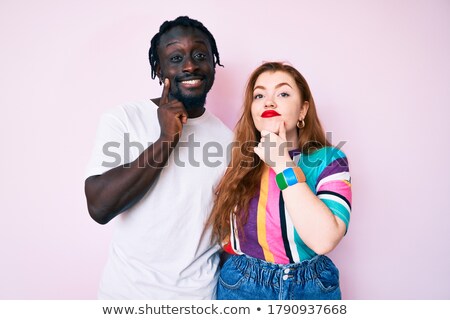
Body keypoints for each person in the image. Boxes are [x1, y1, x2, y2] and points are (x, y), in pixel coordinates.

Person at [84, 16, 232, 299]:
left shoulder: (230, 141)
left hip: (198, 300)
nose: (189, 65)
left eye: (200, 55)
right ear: (158, 68)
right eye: (176, 58)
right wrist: (166, 139)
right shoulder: (124, 119)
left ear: (214, 63)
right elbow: (99, 207)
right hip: (125, 297)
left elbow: (226, 233)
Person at [208, 62, 352, 300]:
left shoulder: (329, 160)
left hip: (311, 288)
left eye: (283, 93)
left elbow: (324, 240)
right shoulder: (234, 160)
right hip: (242, 286)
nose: (269, 102)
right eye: (259, 94)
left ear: (303, 110)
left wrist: (282, 162)